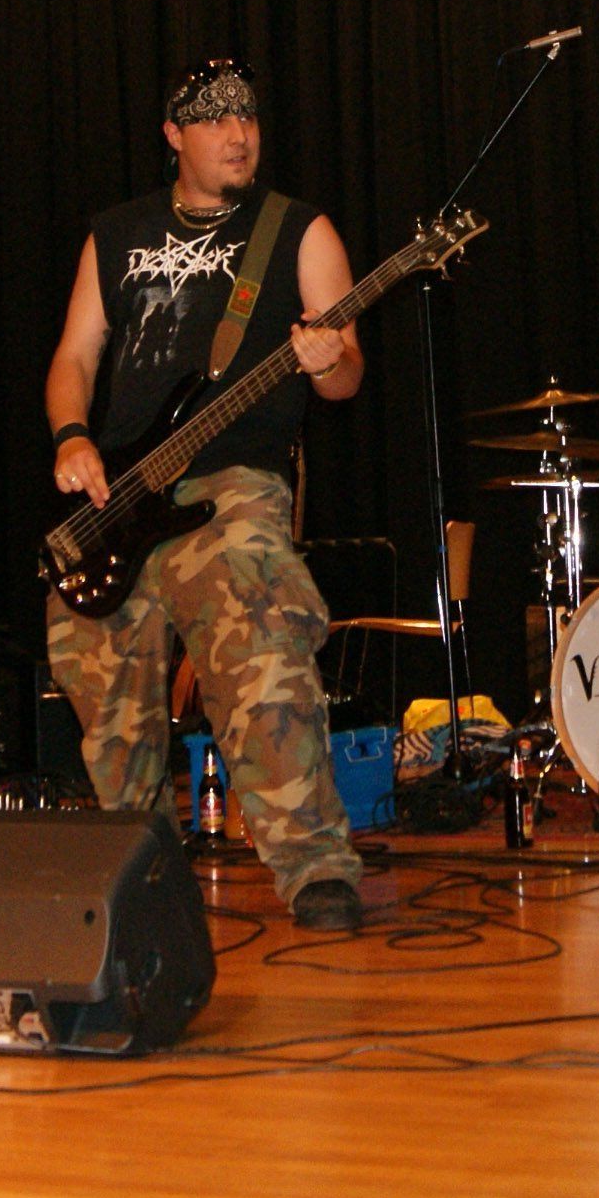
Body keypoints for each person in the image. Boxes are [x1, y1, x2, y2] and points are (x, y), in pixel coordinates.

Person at [44, 58, 367, 930]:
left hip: (234, 485)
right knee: (92, 665)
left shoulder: (297, 230)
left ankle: (315, 867)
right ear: (174, 134)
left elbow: (346, 376)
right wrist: (72, 436)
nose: (239, 134)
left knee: (258, 630)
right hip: (122, 495)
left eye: (248, 117)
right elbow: (75, 356)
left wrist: (328, 359)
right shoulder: (116, 233)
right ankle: (138, 869)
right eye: (217, 119)